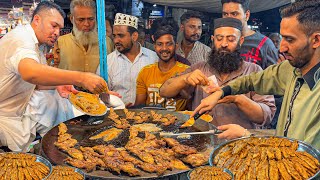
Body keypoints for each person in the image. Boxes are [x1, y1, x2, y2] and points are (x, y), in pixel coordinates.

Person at [193, 0, 320, 149]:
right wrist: (221, 92)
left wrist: (248, 135)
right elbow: (252, 81)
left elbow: (301, 153)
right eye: (282, 38)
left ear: (316, 40)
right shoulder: (289, 69)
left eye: (290, 39)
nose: (281, 48)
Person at [0, 1, 107, 151]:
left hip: (17, 112)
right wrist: (81, 78)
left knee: (56, 100)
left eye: (60, 28)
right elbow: (31, 73)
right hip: (6, 118)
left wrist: (57, 84)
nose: (57, 32)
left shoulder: (38, 44)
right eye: (54, 26)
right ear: (37, 20)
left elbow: (35, 83)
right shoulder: (21, 39)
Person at [160, 18, 275, 129]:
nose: (224, 44)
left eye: (231, 39)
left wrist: (237, 98)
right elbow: (164, 91)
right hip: (202, 141)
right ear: (212, 39)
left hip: (238, 143)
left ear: (241, 41)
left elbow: (266, 115)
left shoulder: (254, 71)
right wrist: (185, 78)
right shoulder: (200, 68)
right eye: (219, 39)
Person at [97, 13, 158, 107]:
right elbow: (99, 95)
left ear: (134, 36)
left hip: (148, 116)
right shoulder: (107, 62)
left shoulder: (153, 58)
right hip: (116, 117)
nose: (116, 40)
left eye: (121, 36)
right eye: (114, 36)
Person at [135, 20, 189, 111]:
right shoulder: (145, 72)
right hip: (150, 124)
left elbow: (189, 99)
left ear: (176, 46)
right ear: (155, 46)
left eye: (169, 44)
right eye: (160, 44)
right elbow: (139, 106)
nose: (164, 48)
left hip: (178, 123)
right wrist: (131, 109)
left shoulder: (186, 71)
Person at [55, 0, 114, 73]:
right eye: (81, 20)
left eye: (90, 19)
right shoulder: (59, 43)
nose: (87, 24)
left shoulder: (106, 43)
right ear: (71, 19)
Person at [221, 0, 278, 69]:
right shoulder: (220, 42)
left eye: (234, 14)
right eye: (225, 14)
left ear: (247, 15)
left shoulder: (264, 44)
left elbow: (274, 77)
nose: (229, 19)